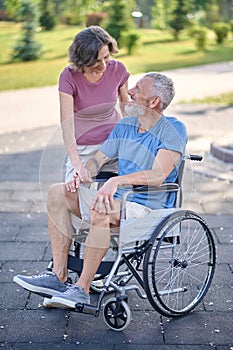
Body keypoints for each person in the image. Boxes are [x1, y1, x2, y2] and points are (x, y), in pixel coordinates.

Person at [13, 72, 188, 308]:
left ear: (153, 101)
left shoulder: (173, 129)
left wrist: (116, 181)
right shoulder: (126, 125)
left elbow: (158, 175)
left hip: (148, 209)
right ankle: (58, 276)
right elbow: (100, 158)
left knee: (101, 209)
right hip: (119, 201)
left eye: (137, 89)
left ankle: (81, 289)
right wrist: (84, 171)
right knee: (57, 192)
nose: (130, 92)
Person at [59, 25, 129, 186]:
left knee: (119, 192)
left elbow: (126, 111)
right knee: (72, 190)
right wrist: (77, 164)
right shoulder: (69, 76)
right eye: (96, 61)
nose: (104, 65)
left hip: (113, 144)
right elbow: (67, 125)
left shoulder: (118, 69)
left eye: (106, 57)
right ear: (83, 59)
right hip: (83, 148)